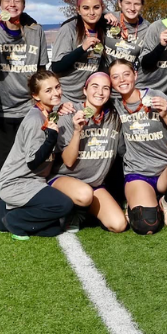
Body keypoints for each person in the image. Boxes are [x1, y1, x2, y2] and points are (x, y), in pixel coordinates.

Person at [109, 59, 167, 234]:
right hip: (139, 172)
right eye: (115, 77)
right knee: (146, 226)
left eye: (126, 74)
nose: (122, 80)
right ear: (111, 82)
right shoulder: (114, 105)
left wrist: (165, 114)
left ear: (135, 75)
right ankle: (136, 201)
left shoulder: (156, 96)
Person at [0, 70, 75, 240]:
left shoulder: (48, 112)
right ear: (36, 96)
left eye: (57, 87)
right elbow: (33, 163)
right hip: (16, 182)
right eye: (48, 90)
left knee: (53, 229)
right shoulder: (34, 120)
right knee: (64, 205)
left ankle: (3, 210)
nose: (56, 93)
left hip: (33, 181)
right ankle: (14, 220)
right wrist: (51, 138)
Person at [0, 0, 49, 193]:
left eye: (17, 1)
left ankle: (31, 194)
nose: (12, 4)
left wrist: (42, 103)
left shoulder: (35, 30)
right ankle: (3, 199)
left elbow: (41, 70)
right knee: (4, 156)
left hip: (29, 107)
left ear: (23, 6)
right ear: (0, 5)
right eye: (7, 1)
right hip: (2, 107)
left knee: (32, 154)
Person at [48, 71, 127, 233]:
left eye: (106, 88)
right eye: (95, 86)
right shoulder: (69, 113)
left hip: (95, 184)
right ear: (85, 90)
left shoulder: (114, 116)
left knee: (118, 224)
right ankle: (71, 209)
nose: (100, 92)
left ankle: (84, 211)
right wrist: (77, 131)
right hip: (65, 179)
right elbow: (68, 161)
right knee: (84, 194)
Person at [50, 0, 108, 106]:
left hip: (86, 99)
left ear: (102, 8)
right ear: (78, 10)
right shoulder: (69, 29)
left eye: (96, 7)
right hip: (63, 97)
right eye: (86, 8)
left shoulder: (103, 30)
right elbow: (57, 66)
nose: (91, 12)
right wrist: (82, 48)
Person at [103, 0, 150, 74]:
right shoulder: (108, 18)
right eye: (128, 3)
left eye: (137, 4)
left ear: (142, 6)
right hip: (104, 78)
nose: (132, 8)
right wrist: (102, 16)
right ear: (120, 3)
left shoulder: (147, 28)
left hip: (127, 79)